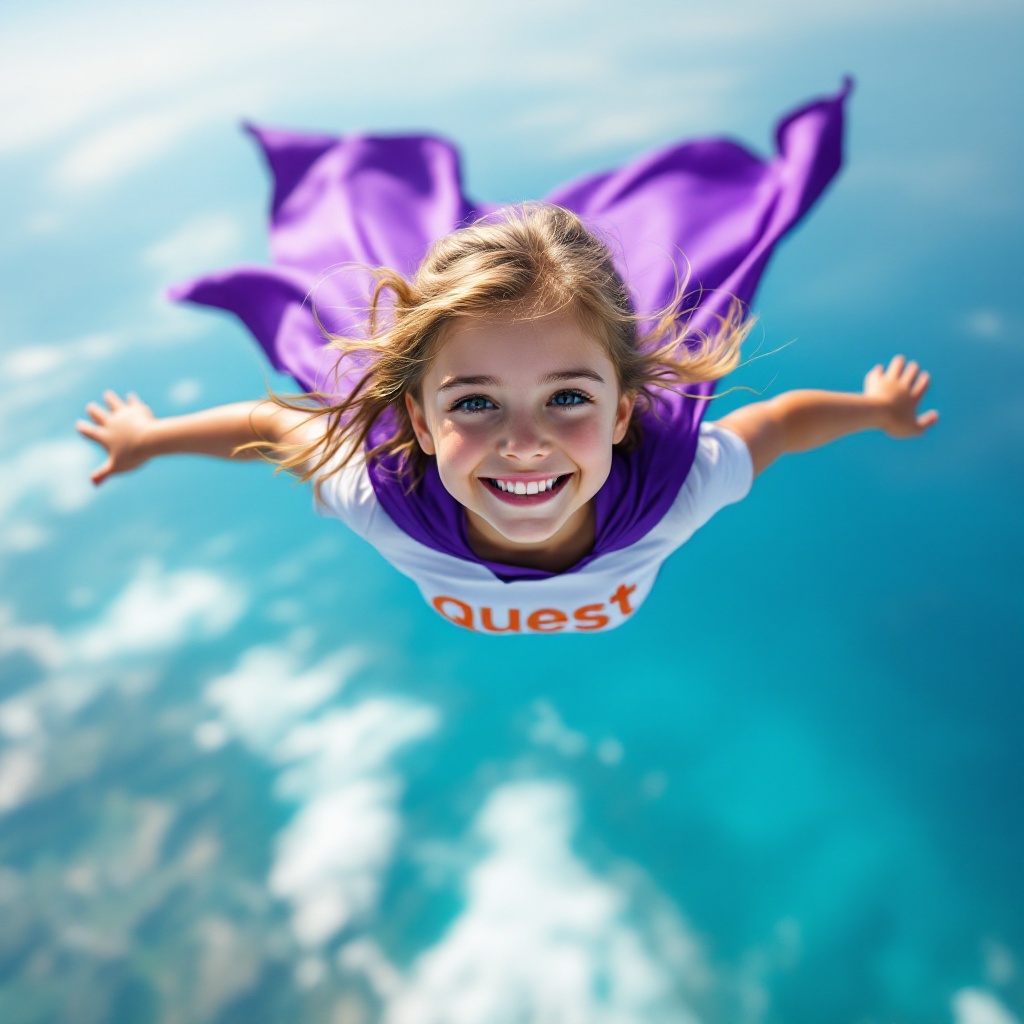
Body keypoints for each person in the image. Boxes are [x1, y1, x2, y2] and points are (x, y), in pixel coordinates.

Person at [75, 81, 938, 634]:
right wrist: (145, 438)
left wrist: (879, 412)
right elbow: (272, 422)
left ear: (624, 409)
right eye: (476, 403)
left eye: (567, 398)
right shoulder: (376, 486)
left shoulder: (674, 480)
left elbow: (781, 423)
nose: (523, 442)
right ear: (417, 416)